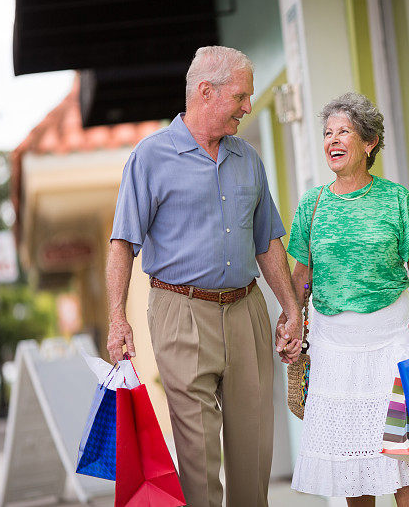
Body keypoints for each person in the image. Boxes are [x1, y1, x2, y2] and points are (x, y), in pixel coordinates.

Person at [106, 46, 302, 507]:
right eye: (241, 96)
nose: (248, 107)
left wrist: (291, 308)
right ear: (205, 92)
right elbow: (122, 245)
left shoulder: (248, 158)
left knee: (254, 449)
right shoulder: (150, 157)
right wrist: (117, 318)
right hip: (181, 311)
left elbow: (268, 240)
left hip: (247, 309)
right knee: (197, 453)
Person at [282, 92, 409, 506]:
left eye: (343, 132)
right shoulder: (312, 205)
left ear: (369, 142)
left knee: (405, 451)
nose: (332, 141)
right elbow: (301, 275)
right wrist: (290, 319)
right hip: (335, 343)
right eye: (327, 133)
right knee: (351, 456)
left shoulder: (395, 198)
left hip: (393, 334)